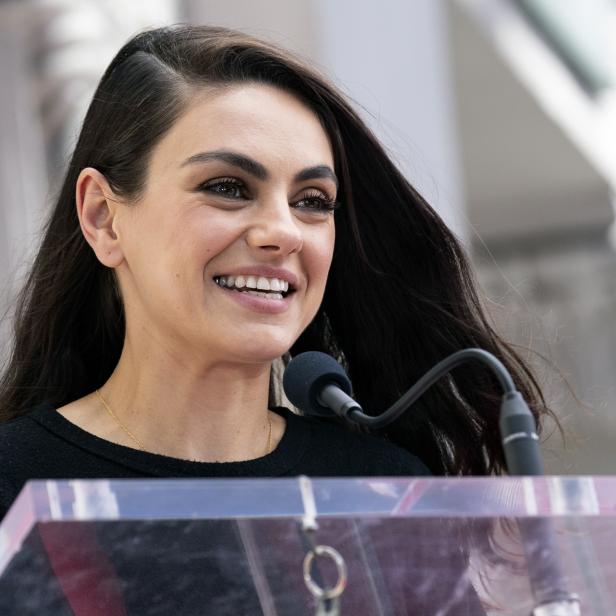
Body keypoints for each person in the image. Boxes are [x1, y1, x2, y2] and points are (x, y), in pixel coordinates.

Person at [0, 23, 551, 613]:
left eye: (312, 201)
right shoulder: (13, 486)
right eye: (228, 187)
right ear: (104, 218)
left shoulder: (380, 489)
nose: (283, 232)